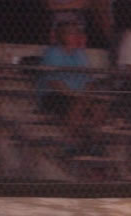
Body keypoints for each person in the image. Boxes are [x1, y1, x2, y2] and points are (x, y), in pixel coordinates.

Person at [38, 23, 107, 154]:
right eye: (72, 33)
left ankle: (93, 143)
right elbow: (54, 82)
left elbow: (89, 81)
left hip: (79, 95)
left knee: (100, 107)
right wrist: (74, 95)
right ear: (62, 36)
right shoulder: (53, 53)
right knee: (77, 104)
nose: (76, 36)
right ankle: (69, 143)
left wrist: (86, 95)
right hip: (54, 94)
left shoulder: (79, 54)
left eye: (77, 33)